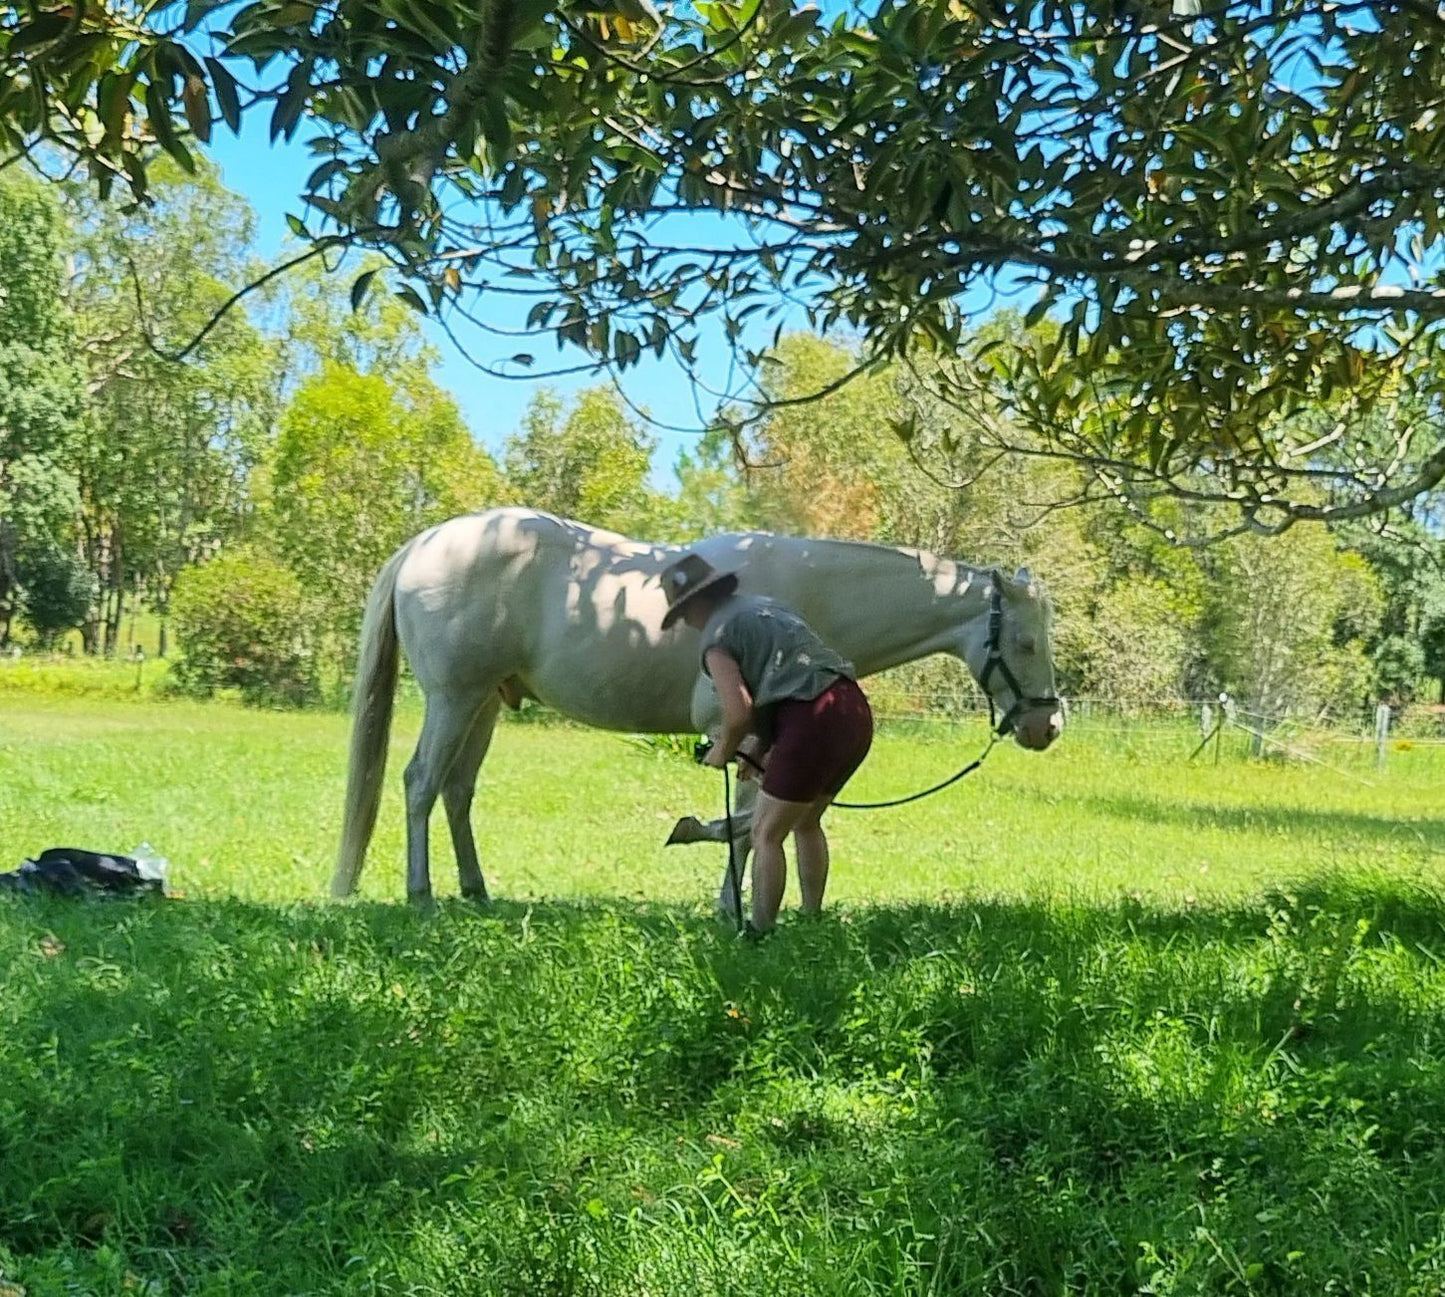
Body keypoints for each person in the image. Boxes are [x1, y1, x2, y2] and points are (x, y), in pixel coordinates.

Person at [660, 552, 874, 934]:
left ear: (696, 602)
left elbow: (738, 712)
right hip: (851, 709)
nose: (686, 623)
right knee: (807, 821)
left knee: (765, 833)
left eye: (682, 614)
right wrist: (759, 749)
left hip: (812, 718)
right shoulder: (768, 607)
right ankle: (812, 921)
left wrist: (722, 751)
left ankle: (759, 932)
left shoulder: (716, 639)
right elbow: (790, 676)